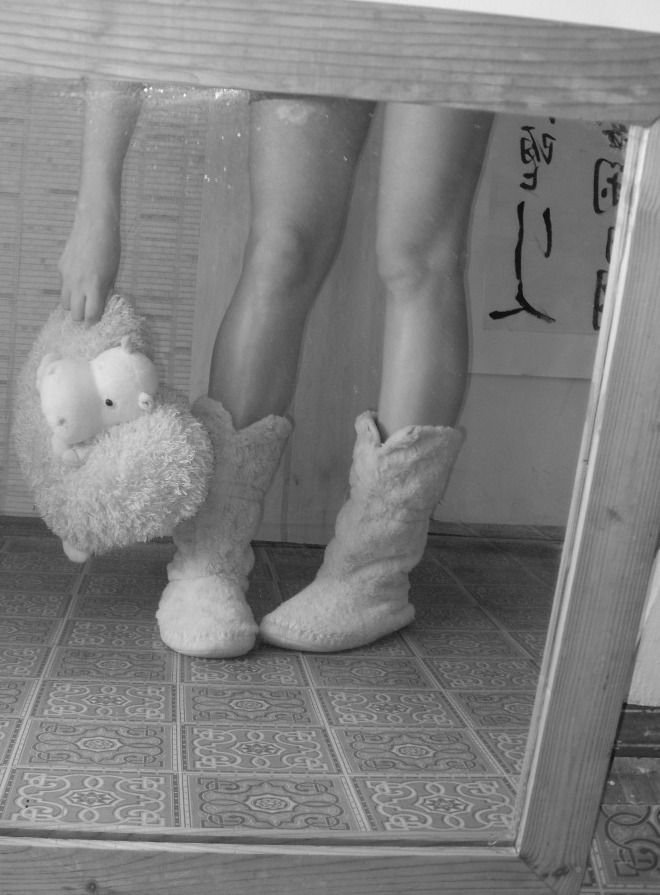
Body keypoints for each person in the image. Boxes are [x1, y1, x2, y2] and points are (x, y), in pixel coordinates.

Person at [60, 80, 493, 658]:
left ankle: (372, 573)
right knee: (281, 248)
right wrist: (96, 204)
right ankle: (208, 558)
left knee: (421, 255)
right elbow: (119, 28)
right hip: (318, 20)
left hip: (447, 24)